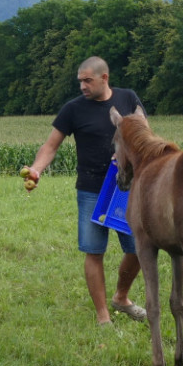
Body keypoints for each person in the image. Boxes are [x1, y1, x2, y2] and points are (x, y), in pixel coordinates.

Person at [23, 57, 148, 326]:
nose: (82, 86)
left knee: (137, 248)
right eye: (80, 81)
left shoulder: (128, 98)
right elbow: (51, 146)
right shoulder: (73, 109)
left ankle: (121, 297)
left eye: (87, 80)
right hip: (91, 189)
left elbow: (144, 135)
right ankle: (103, 316)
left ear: (104, 78)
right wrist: (36, 169)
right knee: (94, 250)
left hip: (126, 188)